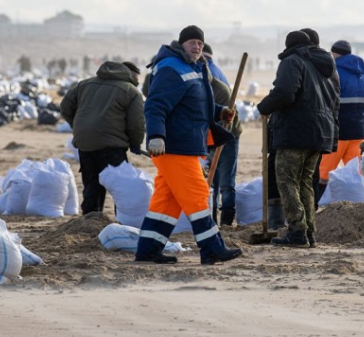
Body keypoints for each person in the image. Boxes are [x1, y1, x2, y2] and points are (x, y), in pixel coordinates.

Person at [135, 25, 242, 265]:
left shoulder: (193, 68)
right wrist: (156, 136)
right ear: (180, 44)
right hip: (174, 146)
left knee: (166, 202)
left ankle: (148, 250)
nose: (197, 46)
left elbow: (195, 106)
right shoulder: (172, 69)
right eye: (192, 42)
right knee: (197, 195)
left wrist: (220, 112)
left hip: (186, 144)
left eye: (201, 44)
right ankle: (212, 249)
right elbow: (155, 105)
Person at [257, 30, 339, 247]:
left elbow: (285, 92)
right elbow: (334, 101)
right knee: (305, 182)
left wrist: (264, 107)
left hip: (295, 132)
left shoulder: (293, 61)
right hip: (321, 132)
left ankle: (297, 232)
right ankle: (309, 232)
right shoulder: (328, 66)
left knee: (287, 181)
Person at [60, 60, 146, 214]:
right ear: (129, 74)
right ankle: (122, 219)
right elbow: (136, 123)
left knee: (91, 182)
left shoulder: (84, 85)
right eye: (136, 79)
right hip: (112, 145)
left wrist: (80, 127)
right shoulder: (131, 91)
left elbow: (65, 107)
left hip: (85, 142)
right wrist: (135, 143)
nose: (137, 82)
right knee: (120, 184)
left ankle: (90, 219)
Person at [317, 39, 364, 203]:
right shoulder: (363, 74)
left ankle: (315, 208)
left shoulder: (334, 71)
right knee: (355, 173)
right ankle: (360, 204)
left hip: (338, 133)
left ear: (335, 53)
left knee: (323, 174)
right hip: (358, 131)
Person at [206, 67, 241, 226]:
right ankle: (211, 216)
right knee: (211, 179)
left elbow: (226, 121)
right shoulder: (196, 88)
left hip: (228, 136)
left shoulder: (221, 91)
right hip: (207, 138)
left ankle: (226, 219)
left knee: (226, 180)